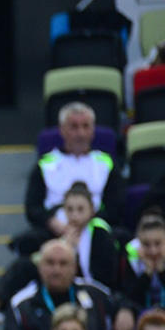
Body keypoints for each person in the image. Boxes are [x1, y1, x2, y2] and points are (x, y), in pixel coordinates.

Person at [0, 182, 119, 323]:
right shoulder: (58, 230)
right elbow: (24, 245)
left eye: (80, 210)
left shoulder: (100, 233)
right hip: (58, 286)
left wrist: (72, 253)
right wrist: (62, 244)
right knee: (24, 265)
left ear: (92, 210)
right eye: (69, 209)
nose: (74, 215)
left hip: (91, 289)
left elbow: (105, 274)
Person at [14, 102, 123, 256]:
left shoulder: (106, 163)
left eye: (85, 126)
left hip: (96, 229)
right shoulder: (45, 164)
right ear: (62, 130)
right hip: (54, 230)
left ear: (93, 130)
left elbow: (116, 206)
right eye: (74, 127)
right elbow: (33, 207)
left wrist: (85, 225)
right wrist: (55, 225)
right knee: (27, 242)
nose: (80, 133)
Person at [115, 212, 165, 330]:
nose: (153, 250)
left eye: (158, 244)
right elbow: (127, 294)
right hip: (142, 311)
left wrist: (162, 272)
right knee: (124, 315)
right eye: (146, 245)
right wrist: (147, 274)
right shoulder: (132, 258)